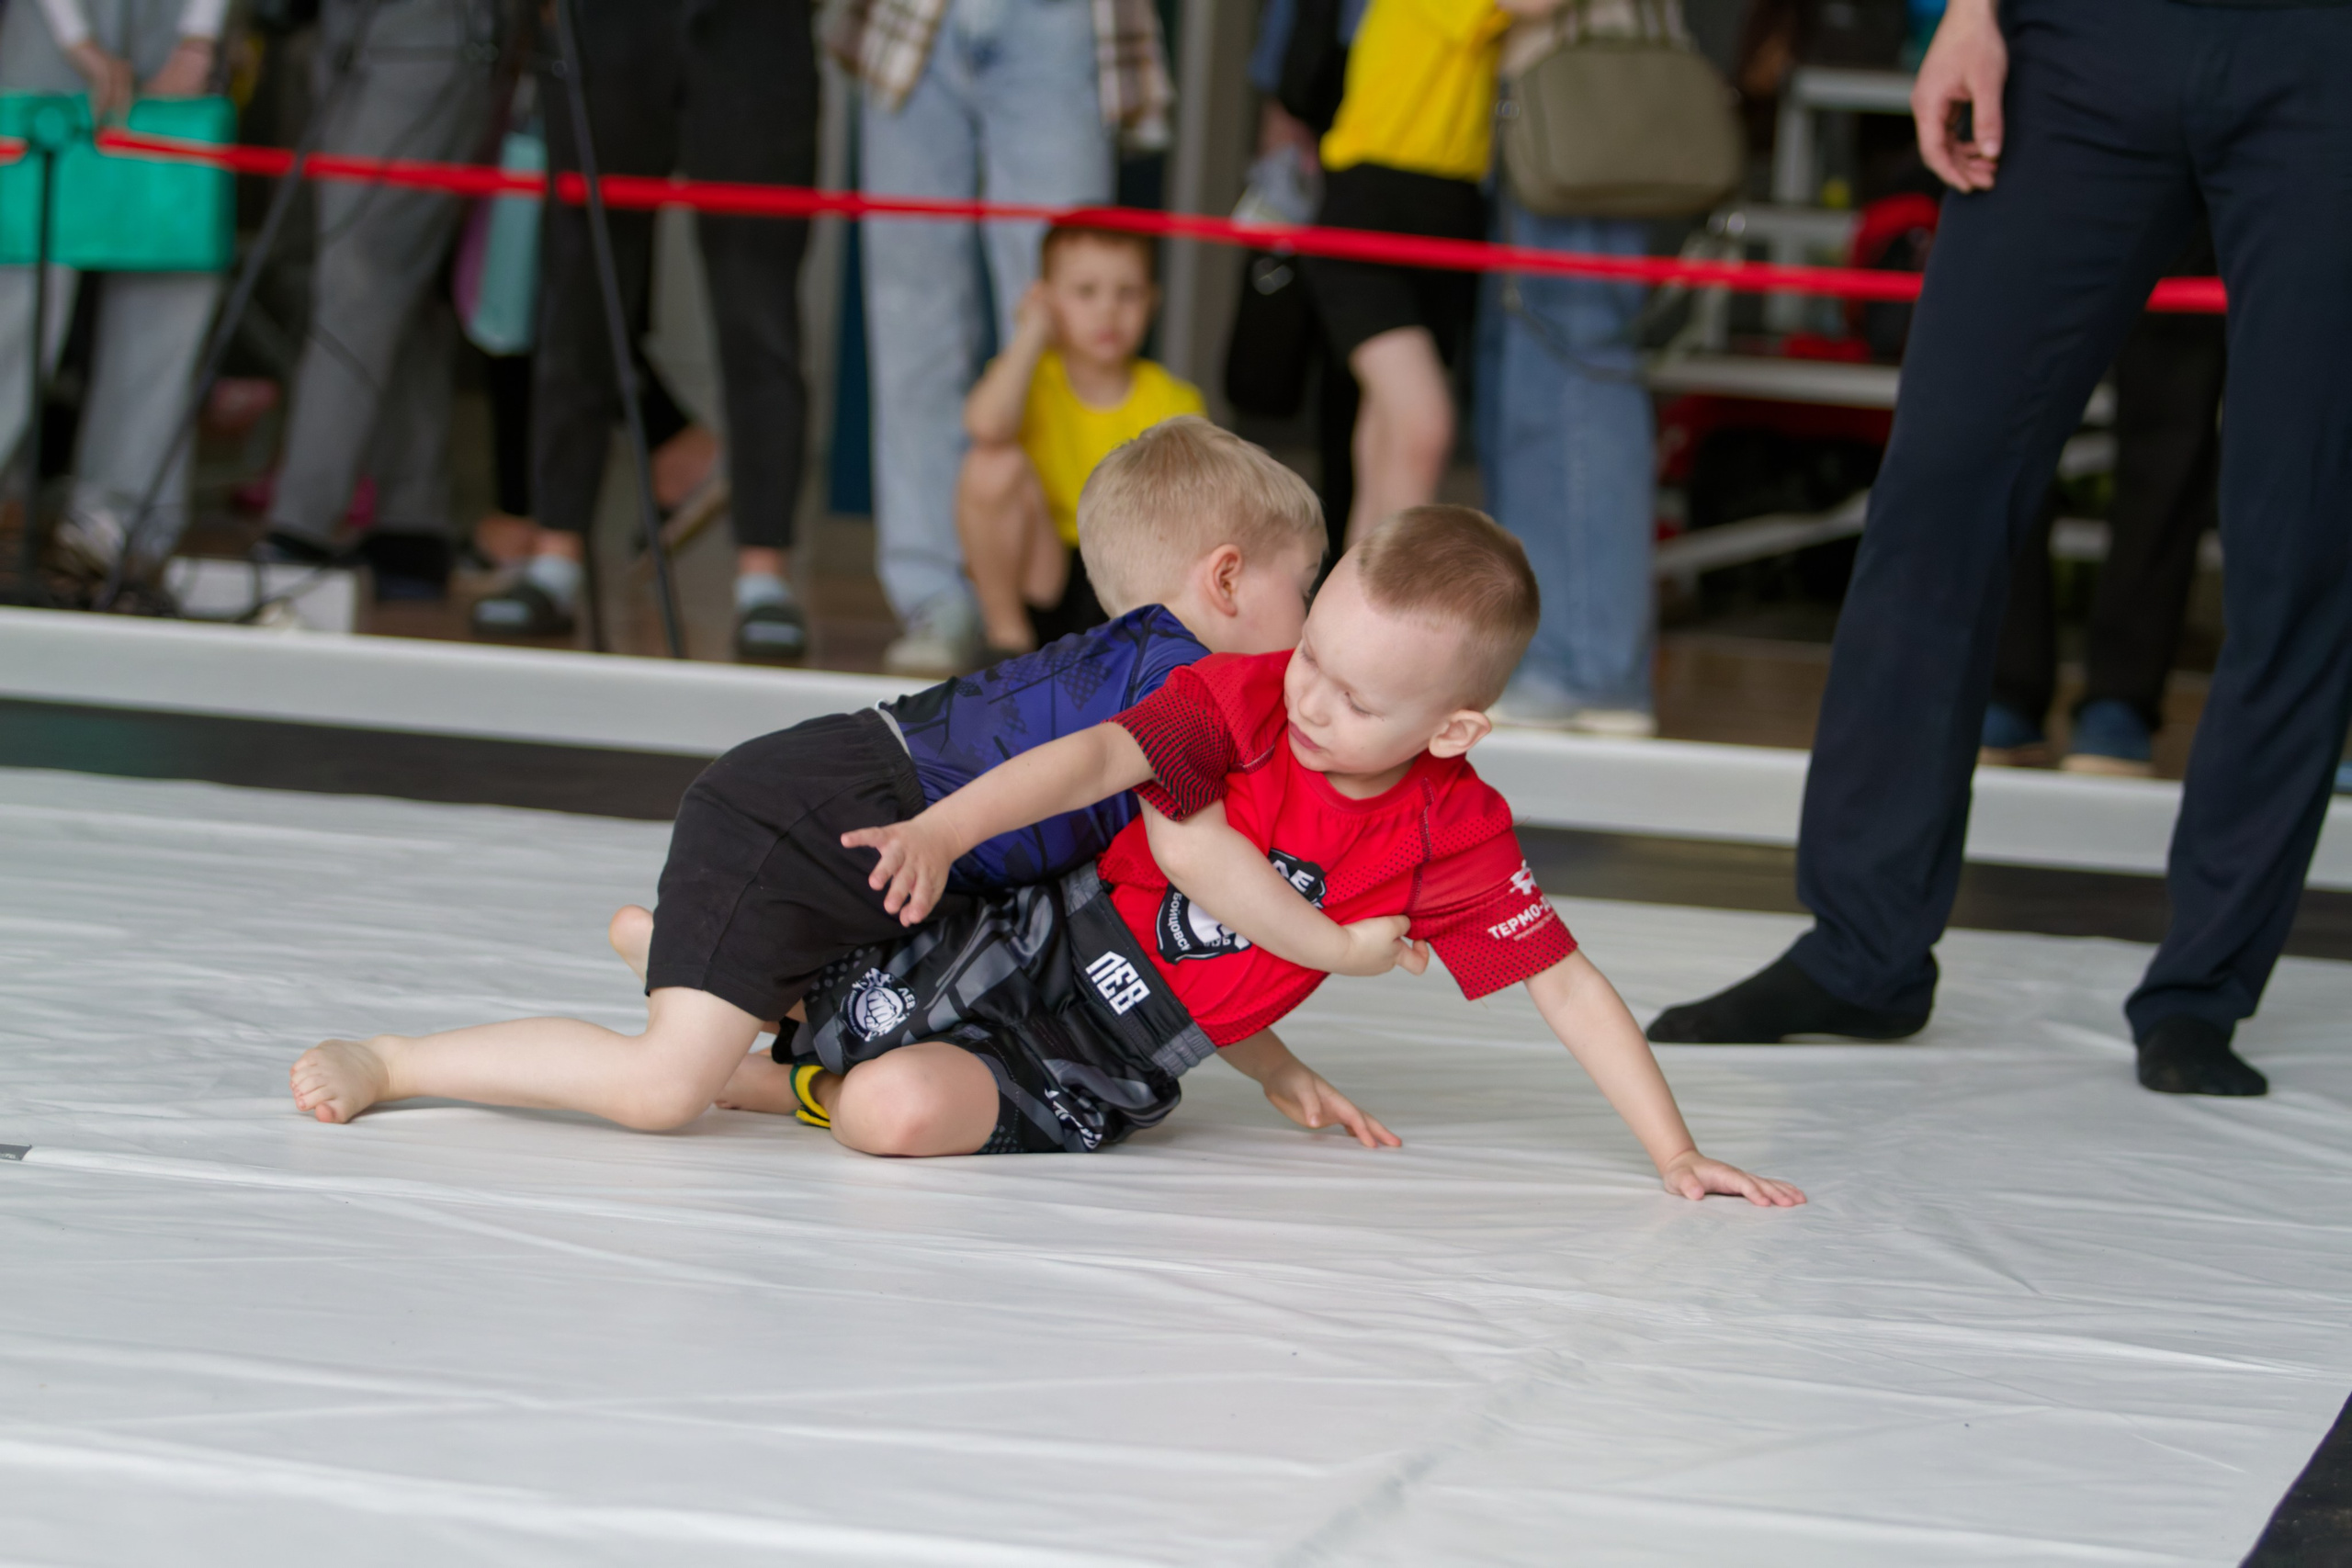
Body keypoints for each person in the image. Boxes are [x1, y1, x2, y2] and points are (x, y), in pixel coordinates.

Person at [1646, 0, 2352, 1100]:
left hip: (2322, 56)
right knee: (1941, 479)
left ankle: (2203, 986)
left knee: (2301, 534)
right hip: (2093, 36)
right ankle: (1861, 951)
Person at [707, 507, 1804, 1199]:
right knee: (843, 1002)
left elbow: (1564, 985)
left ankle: (785, 1086)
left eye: (1357, 697)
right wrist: (948, 828)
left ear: (1452, 731)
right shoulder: (1248, 696)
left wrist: (1674, 1150)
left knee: (883, 1116)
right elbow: (1094, 761)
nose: (1312, 702)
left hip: (1113, 1055)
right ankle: (754, 1024)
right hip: (1033, 935)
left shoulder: (1451, 831)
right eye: (1312, 654)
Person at [288, 420, 1342, 1133]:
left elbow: (1173, 912)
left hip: (864, 832)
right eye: (1308, 595)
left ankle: (691, 956)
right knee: (663, 1091)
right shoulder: (1186, 676)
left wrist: (1274, 1065)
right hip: (818, 811)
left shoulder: (1152, 675)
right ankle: (399, 1060)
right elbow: (1209, 867)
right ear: (1227, 580)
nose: (1312, 640)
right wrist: (1332, 951)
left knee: (937, 999)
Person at [831, 0, 1174, 677]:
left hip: (1062, 17)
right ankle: (937, 600)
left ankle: (1091, 603)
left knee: (1084, 307)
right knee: (913, 325)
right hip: (913, 18)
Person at [470, 0, 820, 662]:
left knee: (760, 309)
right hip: (607, 23)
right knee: (578, 294)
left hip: (757, 27)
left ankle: (764, 574)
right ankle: (555, 556)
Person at [254, 0, 504, 602]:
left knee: (358, 271)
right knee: (392, 282)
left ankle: (301, 526)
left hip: (434, 26)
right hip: (337, 24)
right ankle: (412, 525)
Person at [1476, 0, 1672, 739]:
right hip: (1552, 88)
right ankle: (1568, 659)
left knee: (1571, 376)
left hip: (1572, 85)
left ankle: (1588, 668)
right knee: (1543, 377)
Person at [1302, 0, 1558, 547]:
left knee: (1389, 435)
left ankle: (1352, 614)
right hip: (1372, 212)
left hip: (1447, 217)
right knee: (1423, 427)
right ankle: (1388, 613)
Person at [1980, 229, 2224, 778]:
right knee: (2010, 425)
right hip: (2050, 160)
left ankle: (2124, 697)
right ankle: (2004, 683)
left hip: (2199, 178)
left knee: (2171, 439)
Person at [1, 0, 227, 580]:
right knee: (17, 286)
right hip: (46, 28)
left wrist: (199, 37)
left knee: (166, 283)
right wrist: (75, 38)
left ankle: (117, 527)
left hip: (176, 27)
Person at [956, 225, 1204, 659]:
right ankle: (1005, 642)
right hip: (1045, 574)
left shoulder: (1175, 400)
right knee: (990, 466)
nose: (1108, 311)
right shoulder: (1032, 380)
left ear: (1152, 302)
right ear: (1048, 299)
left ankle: (1134, 665)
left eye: (1127, 293)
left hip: (1126, 589)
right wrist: (1033, 331)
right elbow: (985, 426)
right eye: (1086, 292)